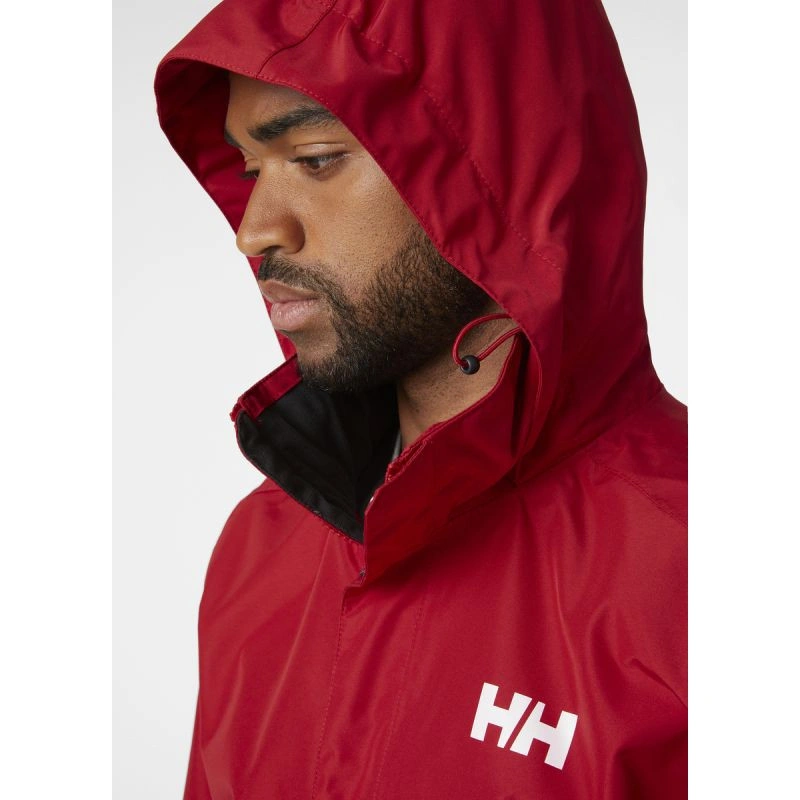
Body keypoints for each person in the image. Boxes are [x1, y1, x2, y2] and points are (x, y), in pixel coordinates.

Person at [154, 0, 687, 796]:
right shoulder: (261, 549)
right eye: (251, 168)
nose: (255, 231)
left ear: (503, 174)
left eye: (316, 158)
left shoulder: (700, 572)